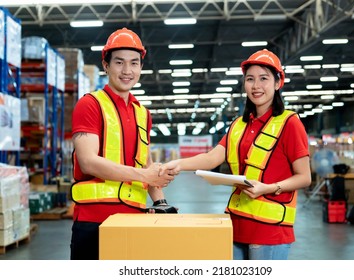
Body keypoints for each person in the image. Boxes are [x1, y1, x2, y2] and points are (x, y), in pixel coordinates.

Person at [161, 49, 312, 260]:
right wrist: (178, 164)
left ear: (278, 83)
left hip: (269, 230)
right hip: (236, 223)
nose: (256, 86)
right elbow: (212, 158)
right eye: (250, 79)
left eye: (263, 79)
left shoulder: (290, 123)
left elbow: (304, 177)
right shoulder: (238, 125)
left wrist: (269, 188)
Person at [70, 27, 176, 260]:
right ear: (106, 65)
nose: (127, 71)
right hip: (94, 221)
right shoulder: (90, 105)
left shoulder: (142, 113)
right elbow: (88, 163)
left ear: (141, 67)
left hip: (135, 218)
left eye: (134, 63)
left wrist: (161, 201)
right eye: (119, 62)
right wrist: (146, 176)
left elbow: (144, 161)